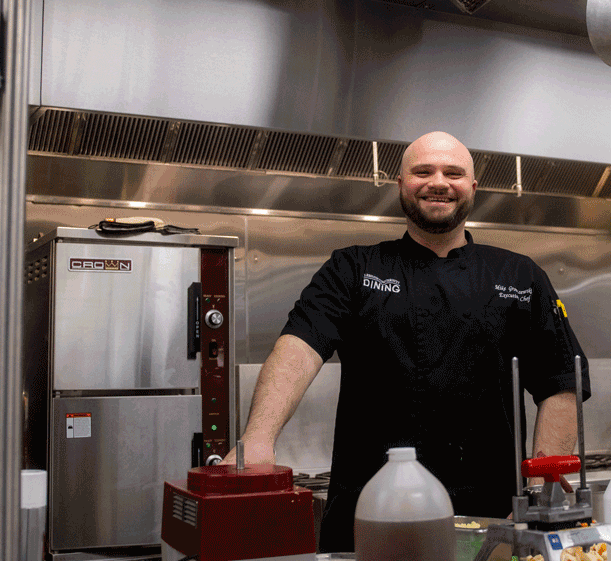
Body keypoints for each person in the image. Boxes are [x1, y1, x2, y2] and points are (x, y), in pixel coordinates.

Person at [223, 131, 590, 551]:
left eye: (453, 172)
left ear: (472, 188)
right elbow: (298, 349)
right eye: (423, 171)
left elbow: (561, 383)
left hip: (491, 519)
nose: (438, 181)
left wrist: (539, 494)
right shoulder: (353, 268)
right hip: (369, 514)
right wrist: (257, 439)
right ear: (400, 184)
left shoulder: (520, 276)